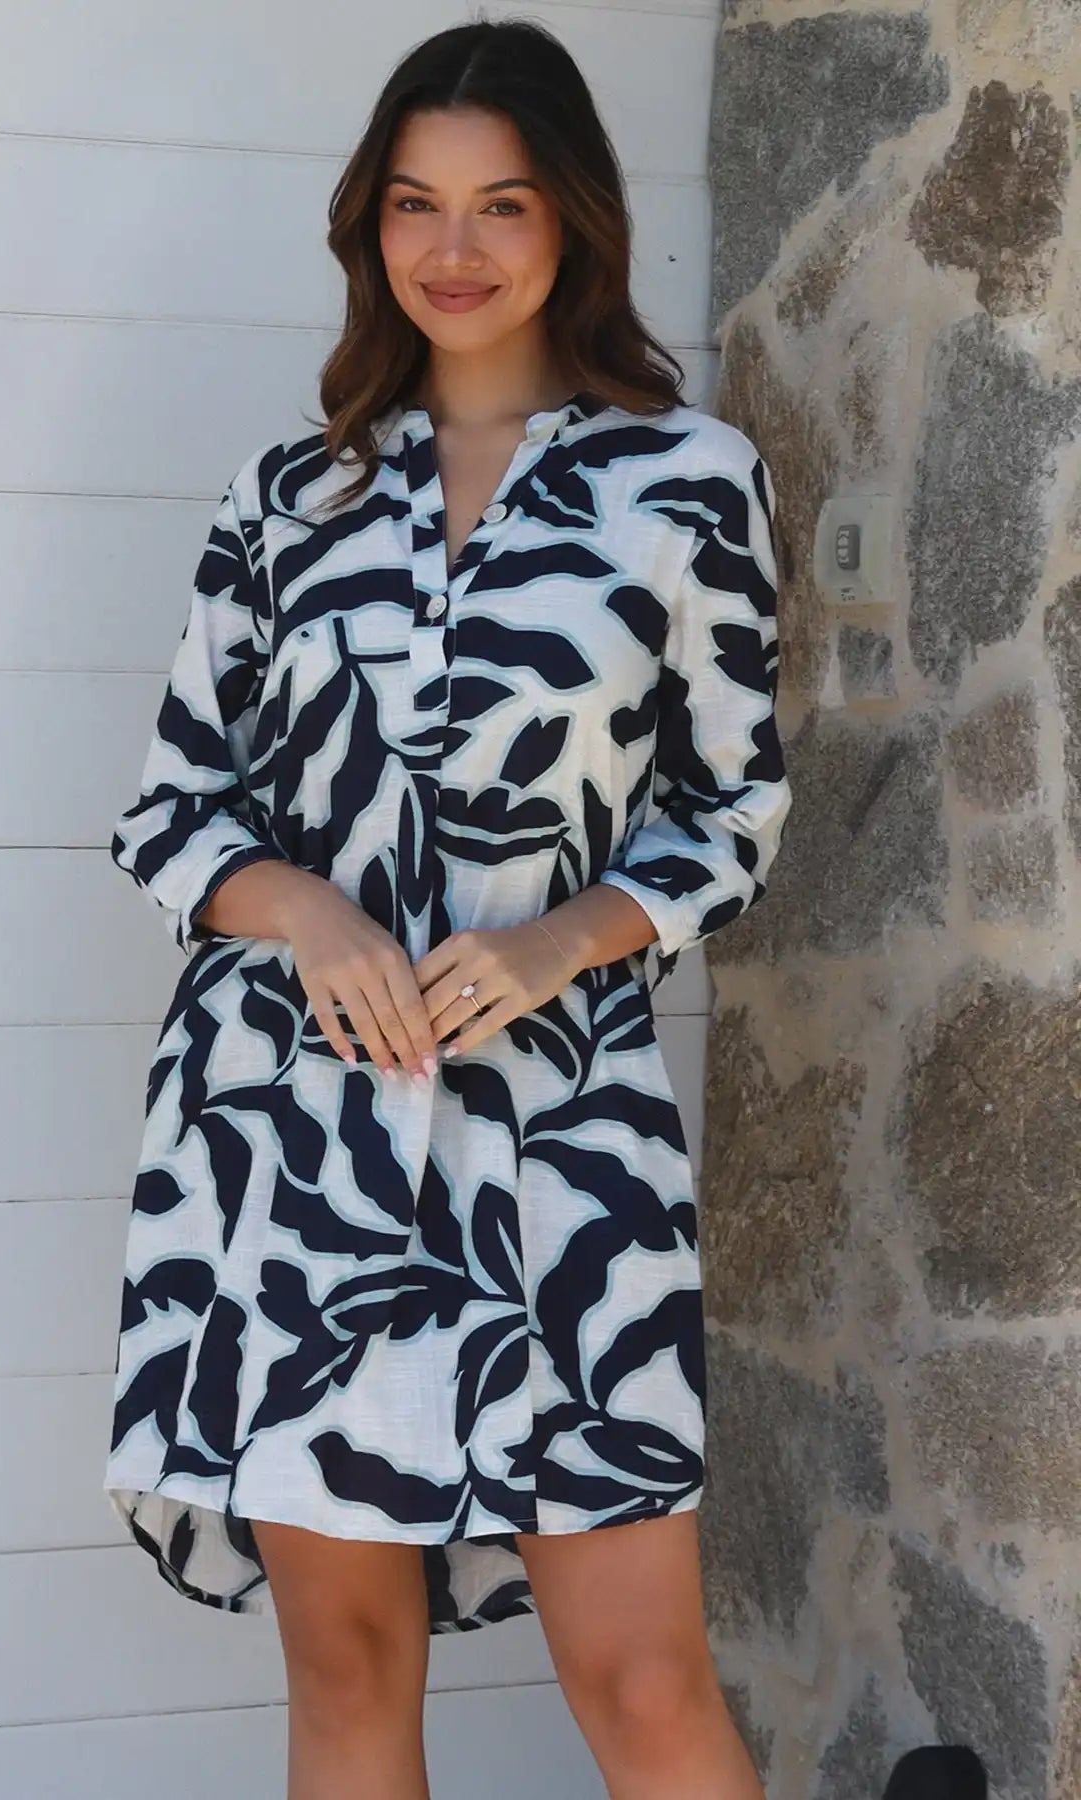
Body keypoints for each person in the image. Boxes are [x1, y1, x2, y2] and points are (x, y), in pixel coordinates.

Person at [102, 17, 791, 1799]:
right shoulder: (287, 494)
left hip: (561, 1136)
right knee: (345, 1664)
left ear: (573, 221)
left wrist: (564, 937)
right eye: (415, 204)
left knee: (640, 1675)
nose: (455, 249)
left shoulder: (686, 487)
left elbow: (736, 813)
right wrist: (311, 918)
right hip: (292, 1131)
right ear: (371, 226)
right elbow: (178, 806)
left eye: (501, 203)